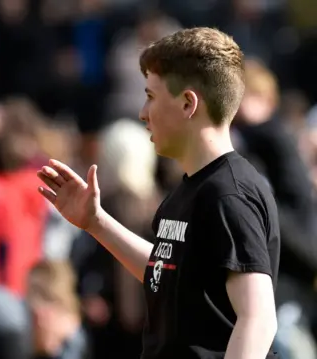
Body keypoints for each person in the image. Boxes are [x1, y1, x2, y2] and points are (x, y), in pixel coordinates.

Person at [37, 27, 280, 359]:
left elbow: (258, 319)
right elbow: (167, 274)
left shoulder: (228, 194)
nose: (142, 112)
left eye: (151, 96)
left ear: (187, 104)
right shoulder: (189, 190)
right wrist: (96, 223)